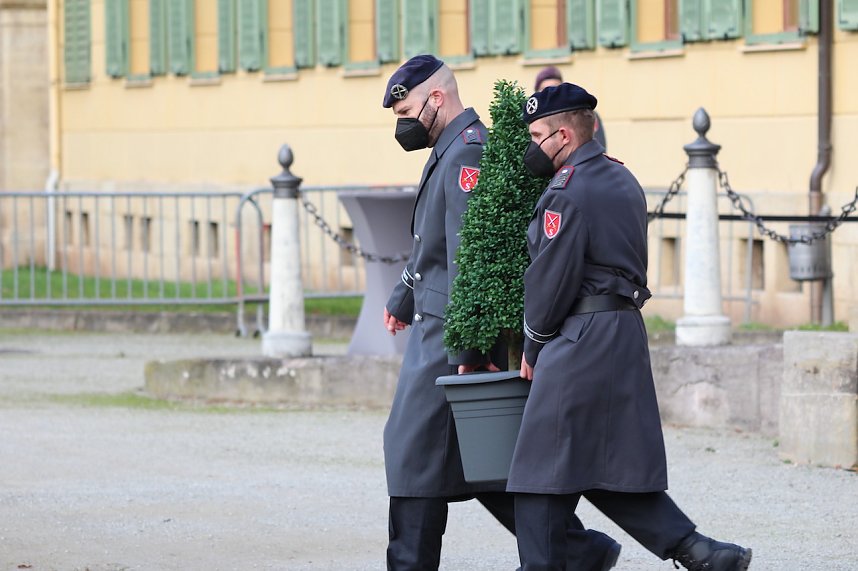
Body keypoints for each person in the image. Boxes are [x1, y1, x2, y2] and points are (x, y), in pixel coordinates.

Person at [380, 55, 621, 571]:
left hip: (449, 340)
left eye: (405, 109)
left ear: (437, 99)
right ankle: (580, 552)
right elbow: (433, 245)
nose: (401, 122)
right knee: (473, 462)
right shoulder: (447, 149)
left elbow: (476, 257)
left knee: (414, 459)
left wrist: (472, 347)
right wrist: (402, 297)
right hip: (436, 328)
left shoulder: (469, 154)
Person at [508, 82, 753, 570]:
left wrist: (532, 344)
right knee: (601, 463)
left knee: (538, 475)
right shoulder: (621, 179)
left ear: (563, 135)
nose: (531, 145)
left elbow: (551, 282)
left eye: (536, 135)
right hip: (621, 331)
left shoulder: (567, 192)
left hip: (577, 338)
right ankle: (702, 554)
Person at [534, 66, 607, 150]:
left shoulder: (584, 114)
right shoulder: (532, 122)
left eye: (555, 89)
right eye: (545, 90)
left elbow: (599, 146)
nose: (551, 95)